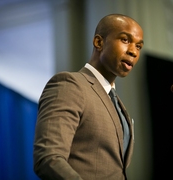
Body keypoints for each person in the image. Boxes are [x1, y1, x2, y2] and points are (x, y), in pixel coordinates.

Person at [33, 13, 144, 180]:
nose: (134, 52)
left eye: (139, 46)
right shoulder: (69, 85)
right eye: (125, 40)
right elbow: (49, 159)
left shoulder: (117, 103)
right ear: (99, 42)